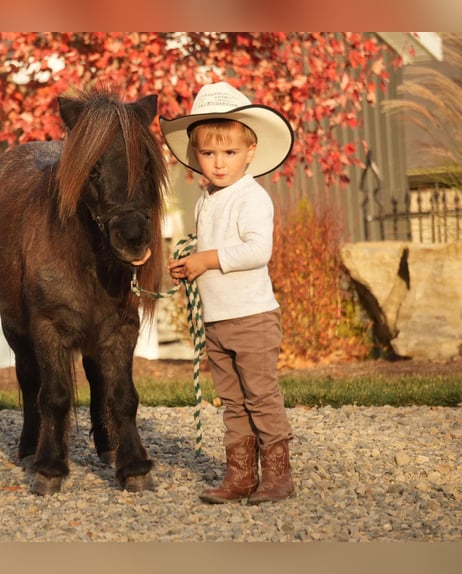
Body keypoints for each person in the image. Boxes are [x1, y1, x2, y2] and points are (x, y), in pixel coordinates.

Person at [159, 81, 296, 504]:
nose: (219, 163)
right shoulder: (206, 200)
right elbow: (208, 252)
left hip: (251, 316)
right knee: (232, 401)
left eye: (229, 153)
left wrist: (207, 259)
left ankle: (277, 474)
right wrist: (190, 264)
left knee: (260, 395)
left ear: (250, 151)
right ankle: (240, 475)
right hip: (216, 320)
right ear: (195, 155)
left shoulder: (251, 197)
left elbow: (258, 250)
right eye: (209, 154)